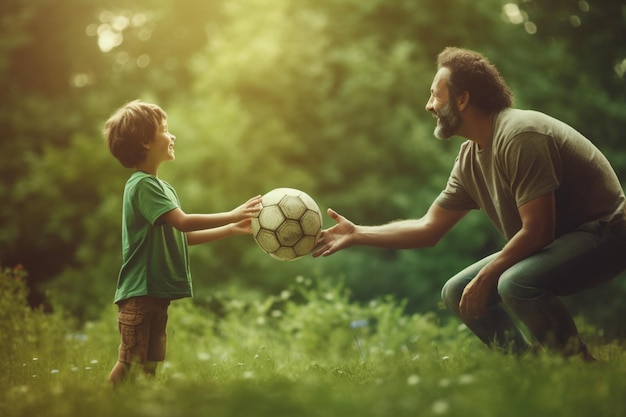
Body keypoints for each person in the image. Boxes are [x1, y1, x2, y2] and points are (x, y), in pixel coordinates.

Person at [313, 47, 626, 360]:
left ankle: (576, 366)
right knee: (456, 291)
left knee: (513, 283)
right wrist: (356, 234)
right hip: (562, 240)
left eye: (436, 96)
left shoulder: (520, 135)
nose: (428, 106)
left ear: (462, 99)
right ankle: (529, 369)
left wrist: (487, 275)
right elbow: (428, 228)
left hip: (608, 232)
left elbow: (539, 231)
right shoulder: (469, 158)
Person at [103, 100, 261, 385]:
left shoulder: (162, 187)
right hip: (140, 293)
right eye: (165, 130)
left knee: (150, 363)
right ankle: (100, 404)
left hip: (156, 294)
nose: (172, 136)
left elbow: (181, 236)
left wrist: (231, 228)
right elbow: (184, 222)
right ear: (146, 142)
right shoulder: (141, 185)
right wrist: (232, 212)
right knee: (129, 361)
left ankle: (144, 407)